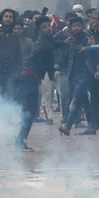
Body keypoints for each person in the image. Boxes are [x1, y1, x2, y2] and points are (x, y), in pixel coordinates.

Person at [13, 16, 59, 151]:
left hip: (30, 77)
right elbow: (49, 61)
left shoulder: (45, 41)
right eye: (44, 27)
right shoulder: (45, 44)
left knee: (27, 109)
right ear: (39, 30)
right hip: (30, 78)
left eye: (48, 26)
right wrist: (51, 76)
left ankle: (18, 139)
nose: (48, 28)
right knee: (29, 111)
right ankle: (19, 140)